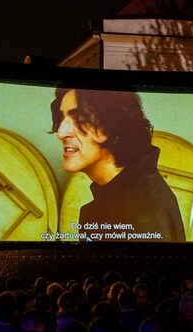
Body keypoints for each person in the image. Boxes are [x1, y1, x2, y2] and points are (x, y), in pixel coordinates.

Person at [50, 86, 185, 242]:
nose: (61, 133)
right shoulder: (128, 196)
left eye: (79, 118)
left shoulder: (143, 211)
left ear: (112, 126)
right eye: (62, 118)